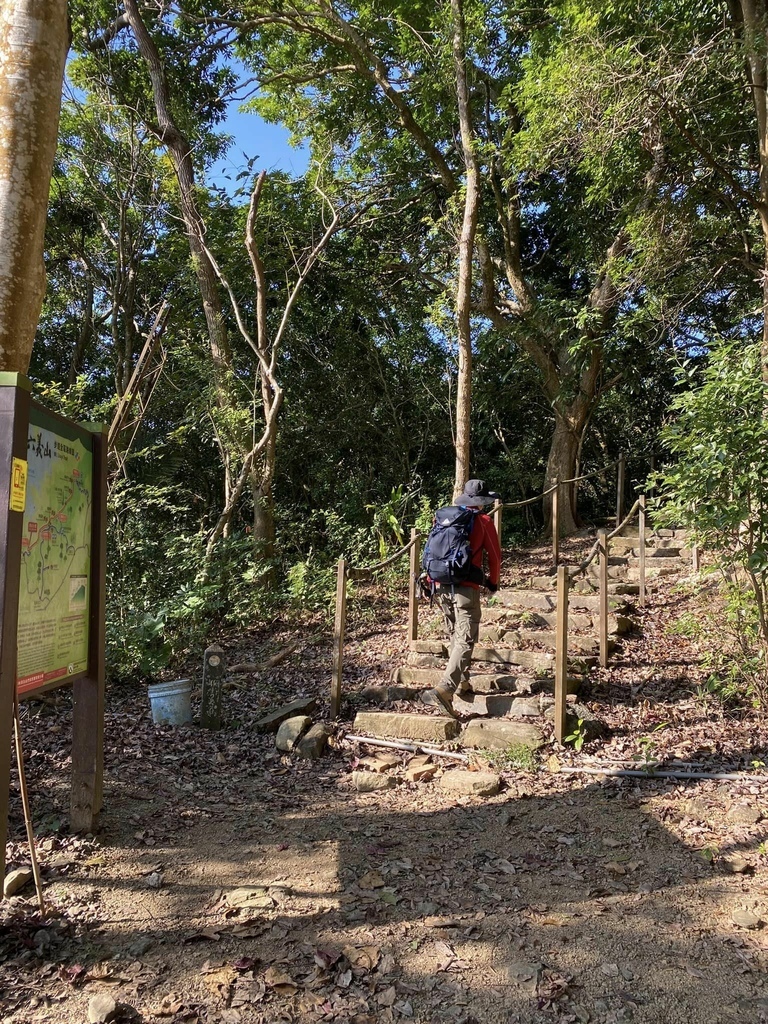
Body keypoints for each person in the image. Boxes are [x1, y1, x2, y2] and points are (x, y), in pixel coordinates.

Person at [428, 479, 501, 718]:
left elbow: (433, 550)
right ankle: (445, 689)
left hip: (441, 584)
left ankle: (462, 683)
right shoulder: (484, 521)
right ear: (481, 502)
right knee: (465, 638)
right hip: (466, 587)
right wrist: (493, 582)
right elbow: (495, 556)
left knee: (455, 635)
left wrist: (431, 580)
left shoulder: (444, 518)